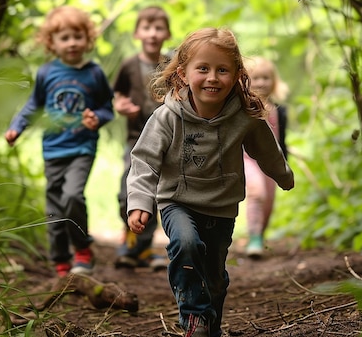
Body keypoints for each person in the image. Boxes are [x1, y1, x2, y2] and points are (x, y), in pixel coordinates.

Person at [126, 28, 294, 337]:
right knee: (186, 245)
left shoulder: (244, 116)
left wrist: (283, 176)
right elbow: (145, 160)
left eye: (222, 70)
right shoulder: (167, 117)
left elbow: (266, 149)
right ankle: (193, 317)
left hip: (221, 205)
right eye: (202, 68)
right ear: (183, 74)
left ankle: (209, 327)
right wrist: (139, 202)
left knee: (215, 276)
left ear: (237, 75)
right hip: (177, 201)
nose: (212, 77)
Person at [5, 6, 114, 278]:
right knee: (54, 209)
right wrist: (17, 126)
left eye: (77, 36)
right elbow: (34, 105)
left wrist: (96, 118)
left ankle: (82, 249)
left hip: (82, 147)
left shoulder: (94, 73)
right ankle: (60, 261)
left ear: (87, 39)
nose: (72, 43)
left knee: (72, 196)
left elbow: (107, 107)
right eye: (64, 38)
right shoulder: (46, 73)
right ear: (51, 43)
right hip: (53, 148)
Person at [112, 6, 172, 270]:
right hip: (136, 139)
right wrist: (121, 105)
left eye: (158, 28)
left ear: (167, 33)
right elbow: (118, 95)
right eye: (147, 28)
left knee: (158, 193)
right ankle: (130, 241)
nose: (152, 33)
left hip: (166, 140)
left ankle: (144, 249)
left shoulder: (171, 65)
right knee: (129, 190)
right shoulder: (129, 65)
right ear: (138, 33)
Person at [243, 56, 290, 258]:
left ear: (274, 81)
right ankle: (253, 237)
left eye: (266, 77)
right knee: (257, 192)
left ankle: (260, 237)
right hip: (246, 159)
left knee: (269, 202)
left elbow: (282, 140)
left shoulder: (280, 110)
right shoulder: (243, 107)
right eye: (256, 78)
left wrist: (285, 166)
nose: (261, 82)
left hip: (271, 161)